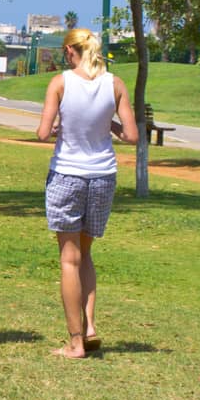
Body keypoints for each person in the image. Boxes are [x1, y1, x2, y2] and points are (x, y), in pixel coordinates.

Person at [35, 27, 140, 359]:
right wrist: (108, 125)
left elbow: (42, 133)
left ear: (69, 52)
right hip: (102, 177)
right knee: (86, 254)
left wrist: (56, 127)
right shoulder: (115, 84)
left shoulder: (61, 83)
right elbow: (132, 136)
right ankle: (90, 325)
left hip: (67, 174)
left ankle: (75, 341)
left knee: (69, 259)